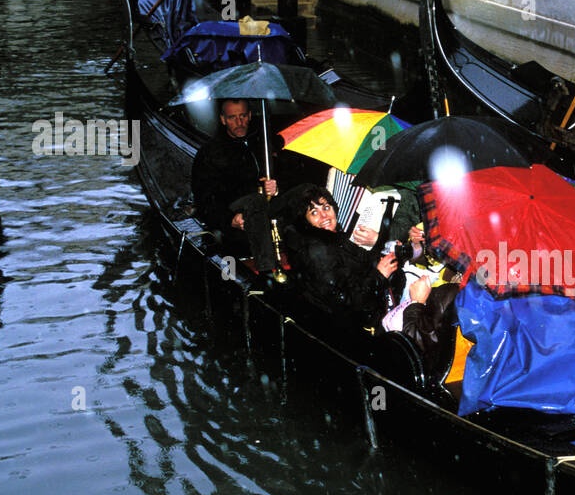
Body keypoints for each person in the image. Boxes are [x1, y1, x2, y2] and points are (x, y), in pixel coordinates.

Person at [280, 185, 459, 367]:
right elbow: (343, 302)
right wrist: (379, 276)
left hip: (369, 313)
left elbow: (366, 260)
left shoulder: (334, 239)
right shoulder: (317, 251)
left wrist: (391, 251)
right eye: (314, 212)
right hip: (356, 334)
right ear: (306, 220)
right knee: (438, 302)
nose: (324, 216)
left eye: (326, 208)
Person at [191, 98, 289, 270]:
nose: (239, 122)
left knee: (305, 193)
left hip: (273, 211)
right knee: (256, 203)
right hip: (238, 216)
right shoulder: (210, 153)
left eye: (243, 116)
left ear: (250, 115)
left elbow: (290, 174)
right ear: (223, 120)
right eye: (232, 118)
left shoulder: (265, 141)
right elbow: (205, 199)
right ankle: (267, 271)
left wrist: (277, 186)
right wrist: (230, 219)